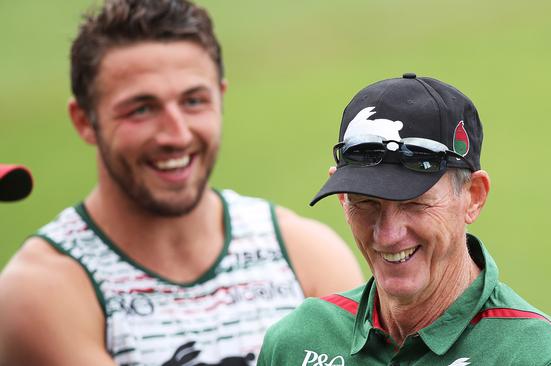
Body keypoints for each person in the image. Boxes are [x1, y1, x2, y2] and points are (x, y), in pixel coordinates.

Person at [0, 1, 363, 365]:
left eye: (193, 101)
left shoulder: (306, 256)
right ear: (84, 120)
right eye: (141, 108)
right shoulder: (43, 289)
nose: (176, 134)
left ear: (220, 98)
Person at [258, 73, 551, 365]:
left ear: (473, 197)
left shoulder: (540, 358)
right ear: (343, 198)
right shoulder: (296, 343)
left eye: (415, 203)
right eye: (366, 202)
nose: (388, 235)